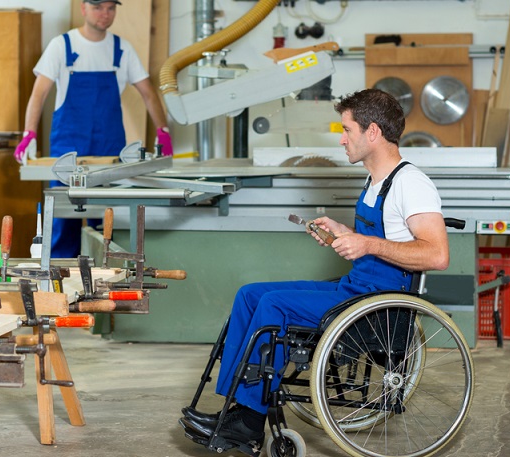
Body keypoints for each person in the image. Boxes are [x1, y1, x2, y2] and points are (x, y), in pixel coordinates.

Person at [179, 88, 450, 452]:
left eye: (347, 130)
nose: (342, 139)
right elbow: (382, 243)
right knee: (250, 295)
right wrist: (346, 235)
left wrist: (365, 244)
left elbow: (436, 255)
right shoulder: (374, 182)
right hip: (355, 288)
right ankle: (235, 408)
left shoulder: (410, 184)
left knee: (274, 306)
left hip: (377, 306)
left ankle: (249, 422)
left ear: (372, 133)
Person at [15, 0, 172, 258]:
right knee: (64, 222)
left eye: (111, 7)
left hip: (109, 153)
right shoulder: (62, 46)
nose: (105, 14)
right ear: (84, 8)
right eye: (98, 7)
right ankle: (59, 288)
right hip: (67, 153)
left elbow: (148, 93)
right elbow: (39, 94)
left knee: (107, 226)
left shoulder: (121, 49)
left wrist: (163, 130)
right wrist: (28, 133)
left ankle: (106, 283)